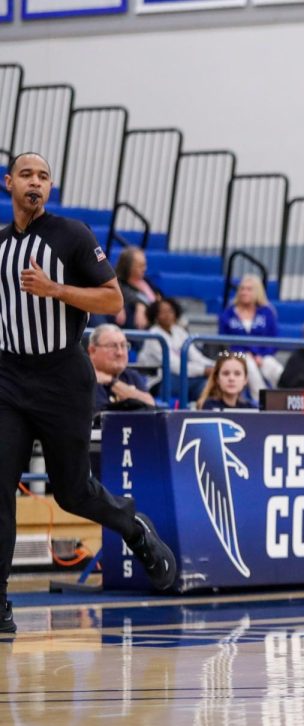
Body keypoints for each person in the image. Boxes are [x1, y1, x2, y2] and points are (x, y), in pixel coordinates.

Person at [0, 152, 177, 634]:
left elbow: (114, 300)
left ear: (50, 187)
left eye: (44, 176)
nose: (35, 182)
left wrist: (55, 290)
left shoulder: (71, 235)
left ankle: (133, 528)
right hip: (9, 377)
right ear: (9, 182)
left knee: (73, 491)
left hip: (61, 376)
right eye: (27, 175)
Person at [137, 297, 213, 401]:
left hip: (184, 376)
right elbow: (174, 366)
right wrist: (204, 370)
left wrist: (215, 366)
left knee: (211, 382)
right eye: (162, 312)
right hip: (160, 381)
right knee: (203, 382)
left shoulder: (179, 331)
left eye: (170, 311)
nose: (167, 315)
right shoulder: (153, 336)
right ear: (155, 315)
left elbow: (196, 357)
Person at [219, 274, 283, 396]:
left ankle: (285, 398)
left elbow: (274, 339)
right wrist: (244, 353)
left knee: (273, 367)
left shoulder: (267, 312)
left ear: (257, 292)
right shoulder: (229, 313)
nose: (244, 292)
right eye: (242, 289)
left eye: (249, 289)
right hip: (236, 355)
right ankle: (261, 400)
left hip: (263, 355)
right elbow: (223, 341)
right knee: (248, 364)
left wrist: (261, 355)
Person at [88, 323, 157, 415]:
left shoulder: (131, 376)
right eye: (112, 346)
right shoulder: (86, 378)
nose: (120, 353)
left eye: (123, 345)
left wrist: (112, 382)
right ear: (92, 351)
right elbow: (100, 417)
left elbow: (151, 405)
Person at [113, 246, 160, 331]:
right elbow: (129, 297)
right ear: (128, 267)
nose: (144, 269)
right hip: (139, 327)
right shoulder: (119, 283)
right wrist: (140, 304)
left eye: (144, 265)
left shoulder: (146, 280)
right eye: (140, 266)